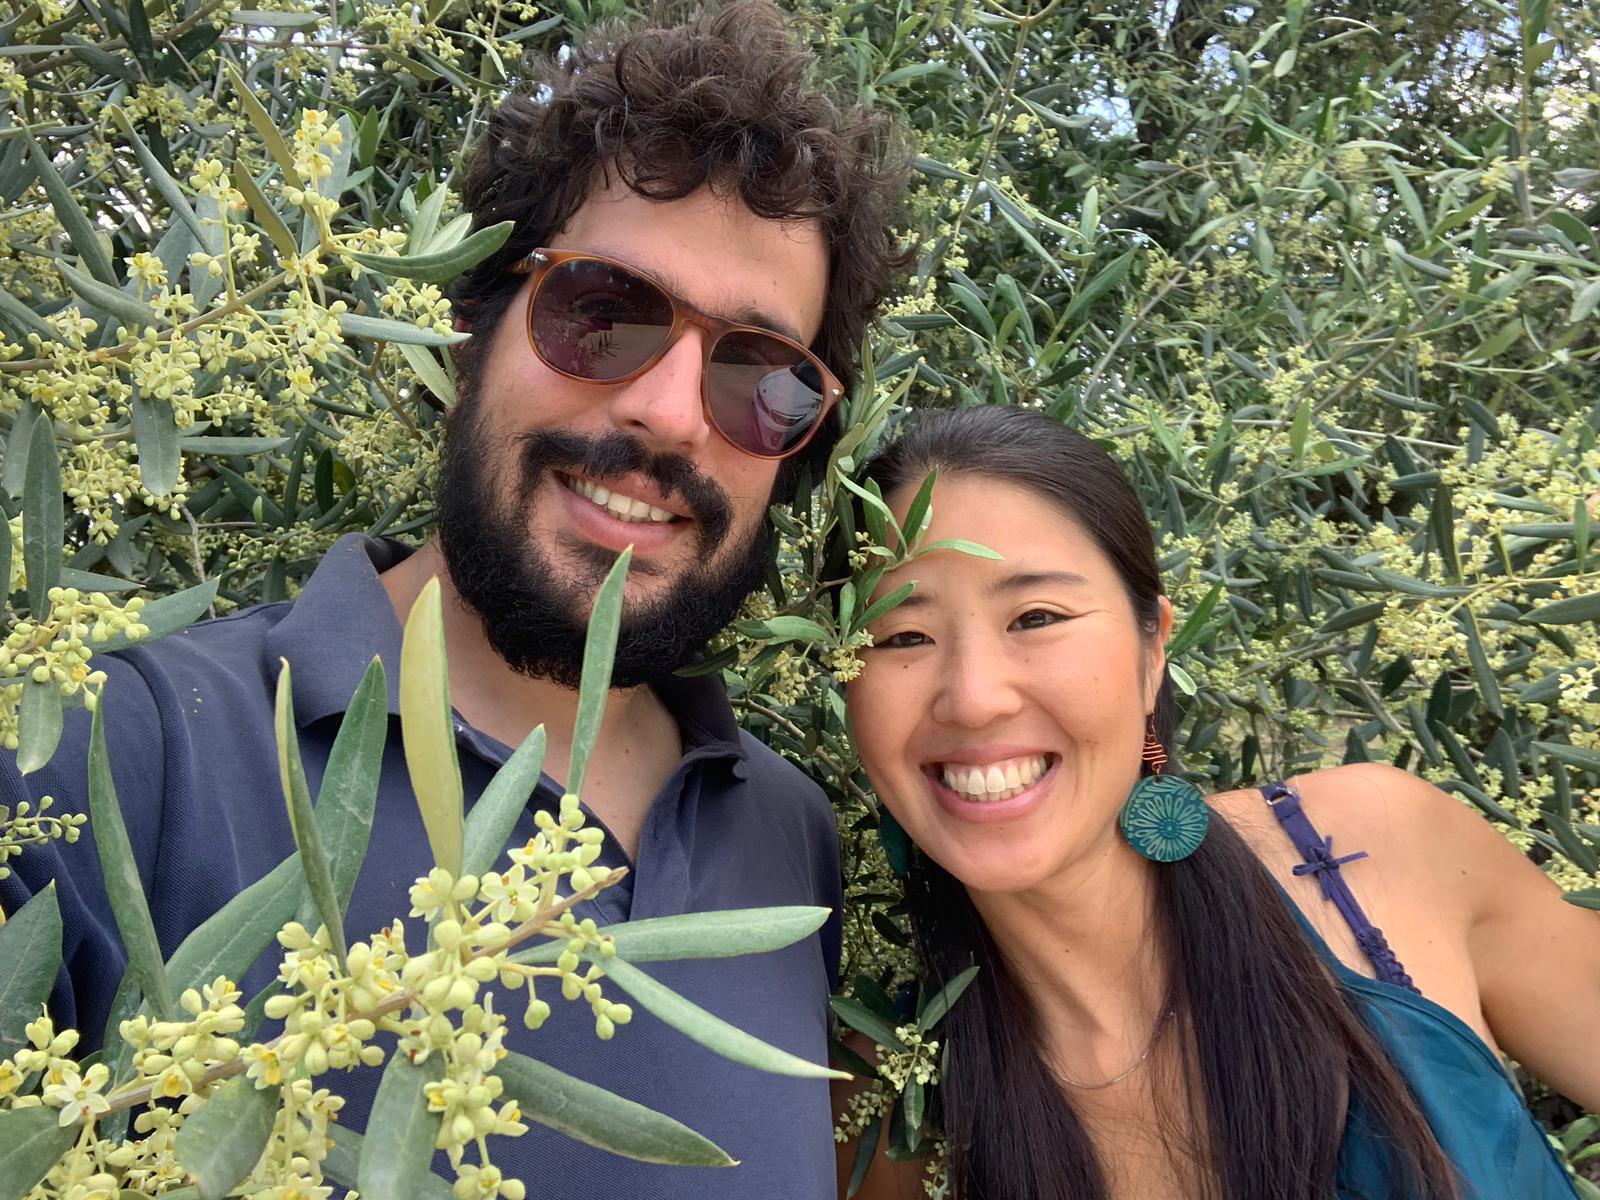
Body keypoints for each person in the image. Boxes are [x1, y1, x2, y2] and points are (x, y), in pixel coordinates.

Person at [1, 5, 907, 1195]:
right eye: (602, 313)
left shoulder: (790, 843)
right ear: (468, 327)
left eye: (760, 376)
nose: (670, 414)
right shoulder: (106, 753)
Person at [837, 405, 1600, 1200]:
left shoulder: (1378, 846)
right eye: (902, 636)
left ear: (1152, 649)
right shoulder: (889, 1114)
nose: (973, 698)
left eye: (1036, 618)